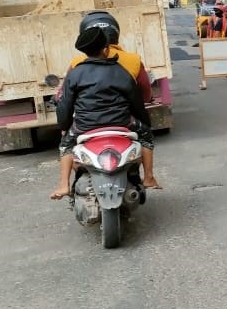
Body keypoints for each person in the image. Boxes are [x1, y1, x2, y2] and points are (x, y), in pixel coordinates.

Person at [51, 27, 159, 200]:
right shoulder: (121, 72)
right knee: (146, 136)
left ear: (85, 52)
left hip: (84, 126)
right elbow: (137, 104)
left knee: (65, 146)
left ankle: (63, 184)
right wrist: (145, 123)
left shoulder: (75, 74)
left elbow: (65, 106)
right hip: (123, 123)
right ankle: (148, 177)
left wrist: (64, 127)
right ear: (106, 49)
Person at [67, 11, 152, 104]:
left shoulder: (76, 63)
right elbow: (145, 95)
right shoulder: (133, 60)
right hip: (123, 115)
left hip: (87, 116)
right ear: (116, 32)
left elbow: (66, 96)